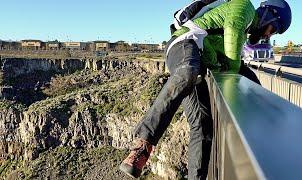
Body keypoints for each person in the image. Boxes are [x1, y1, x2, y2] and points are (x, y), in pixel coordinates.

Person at [120, 0, 292, 179]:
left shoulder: (242, 33)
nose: (267, 35)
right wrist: (231, 80)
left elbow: (224, 57)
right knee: (188, 72)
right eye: (272, 29)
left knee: (203, 127)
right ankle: (143, 144)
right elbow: (232, 36)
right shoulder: (244, 7)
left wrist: (259, 95)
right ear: (268, 15)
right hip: (184, 43)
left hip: (199, 58)